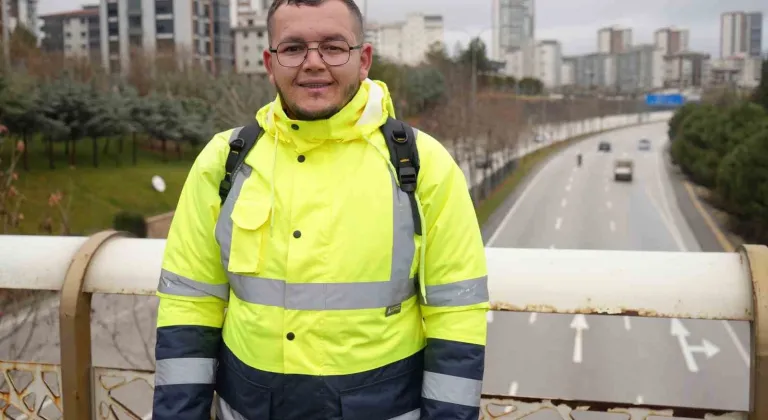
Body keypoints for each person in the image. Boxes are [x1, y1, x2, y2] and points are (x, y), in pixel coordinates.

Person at [151, 0, 489, 419]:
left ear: (363, 60)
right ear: (270, 63)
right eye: (293, 48)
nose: (313, 64)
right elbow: (190, 304)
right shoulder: (225, 160)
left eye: (333, 47)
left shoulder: (423, 165)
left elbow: (457, 315)